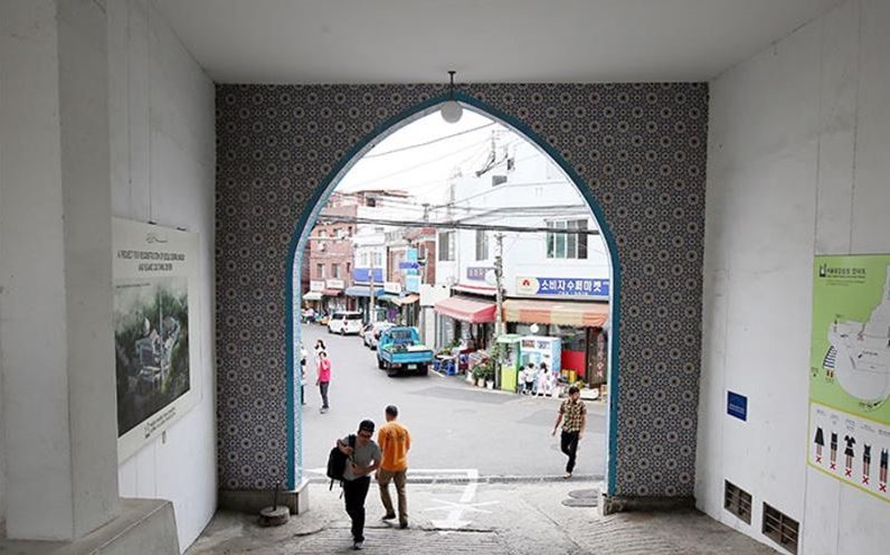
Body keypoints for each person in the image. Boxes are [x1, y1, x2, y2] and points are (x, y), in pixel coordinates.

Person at [338, 419, 380, 551]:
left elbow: (378, 463)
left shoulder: (374, 447)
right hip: (348, 478)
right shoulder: (350, 440)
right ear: (358, 433)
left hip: (362, 480)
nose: (365, 439)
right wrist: (344, 450)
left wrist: (363, 471)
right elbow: (339, 442)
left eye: (368, 436)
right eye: (362, 435)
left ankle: (358, 537)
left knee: (358, 507)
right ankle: (356, 525)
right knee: (349, 507)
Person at [376, 405, 411, 529]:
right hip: (402, 464)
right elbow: (407, 447)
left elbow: (379, 450)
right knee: (401, 491)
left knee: (383, 485)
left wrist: (377, 468)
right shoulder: (404, 429)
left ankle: (390, 511)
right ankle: (404, 518)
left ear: (387, 414)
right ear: (396, 415)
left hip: (387, 465)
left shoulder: (384, 430)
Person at [552, 385, 586, 479]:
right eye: (575, 394)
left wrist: (581, 432)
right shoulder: (564, 403)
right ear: (570, 395)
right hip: (566, 429)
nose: (577, 396)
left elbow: (583, 419)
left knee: (573, 450)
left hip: (575, 430)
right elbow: (560, 416)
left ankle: (568, 470)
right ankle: (572, 458)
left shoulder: (581, 404)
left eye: (578, 394)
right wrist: (555, 428)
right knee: (563, 448)